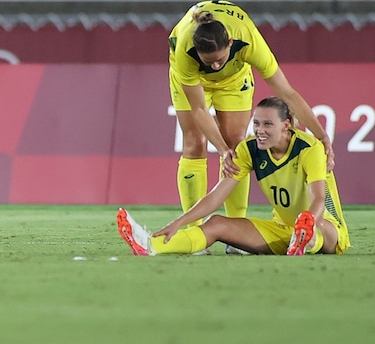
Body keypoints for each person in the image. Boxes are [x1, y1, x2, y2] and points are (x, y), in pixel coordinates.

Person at [167, 0, 334, 230]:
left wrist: (322, 135)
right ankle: (192, 230)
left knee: (237, 146)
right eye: (209, 61)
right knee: (195, 143)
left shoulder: (248, 39)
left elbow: (287, 93)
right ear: (197, 52)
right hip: (191, 81)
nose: (215, 66)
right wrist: (221, 150)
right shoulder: (185, 50)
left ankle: (235, 228)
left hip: (234, 80)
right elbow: (199, 110)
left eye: (220, 59)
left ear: (231, 44)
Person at [118, 97, 350, 256]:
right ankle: (150, 245)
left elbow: (318, 198)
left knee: (315, 223)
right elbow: (216, 197)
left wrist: (306, 222)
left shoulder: (309, 148)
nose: (260, 130)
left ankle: (305, 240)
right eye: (257, 123)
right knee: (216, 224)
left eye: (268, 124)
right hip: (283, 229)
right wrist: (180, 221)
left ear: (286, 126)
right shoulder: (249, 149)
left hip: (328, 230)